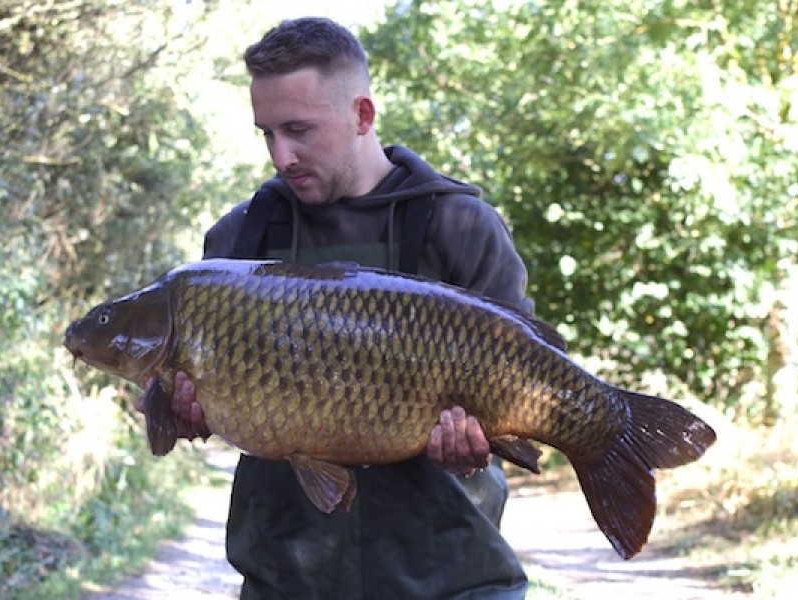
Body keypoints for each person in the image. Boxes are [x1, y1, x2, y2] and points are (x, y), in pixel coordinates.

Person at [148, 17, 534, 599]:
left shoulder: (459, 225)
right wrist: (187, 413)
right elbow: (210, 407)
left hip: (447, 574)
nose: (282, 156)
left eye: (299, 130)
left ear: (362, 115)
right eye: (267, 133)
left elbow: (527, 375)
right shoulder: (240, 239)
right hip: (288, 575)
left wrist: (481, 437)